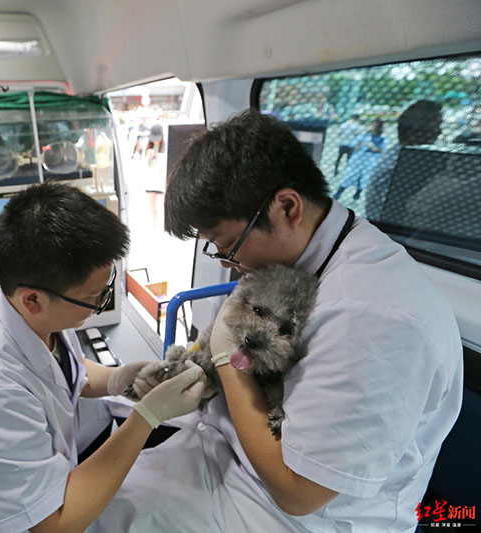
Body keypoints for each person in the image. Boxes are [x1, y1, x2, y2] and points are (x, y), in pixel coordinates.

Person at [91, 110, 462, 531]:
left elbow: (297, 493)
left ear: (287, 206)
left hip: (288, 513)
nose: (231, 264)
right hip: (225, 452)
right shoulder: (299, 257)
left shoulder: (373, 319)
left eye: (230, 245)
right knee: (98, 504)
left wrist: (227, 359)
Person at [0, 182, 212, 532]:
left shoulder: (27, 309)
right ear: (33, 299)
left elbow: (62, 372)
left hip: (47, 481)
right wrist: (146, 417)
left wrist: (118, 378)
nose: (99, 303)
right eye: (93, 297)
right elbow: (52, 524)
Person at [365, 100, 443, 220]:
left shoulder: (404, 155)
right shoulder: (403, 164)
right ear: (416, 131)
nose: (439, 132)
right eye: (436, 127)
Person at [334, 118, 386, 201]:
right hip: (358, 157)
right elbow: (353, 144)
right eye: (374, 124)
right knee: (350, 174)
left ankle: (358, 193)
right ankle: (339, 192)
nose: (374, 127)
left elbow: (383, 150)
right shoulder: (365, 134)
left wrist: (373, 146)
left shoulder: (382, 137)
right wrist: (359, 145)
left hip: (370, 160)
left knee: (364, 177)